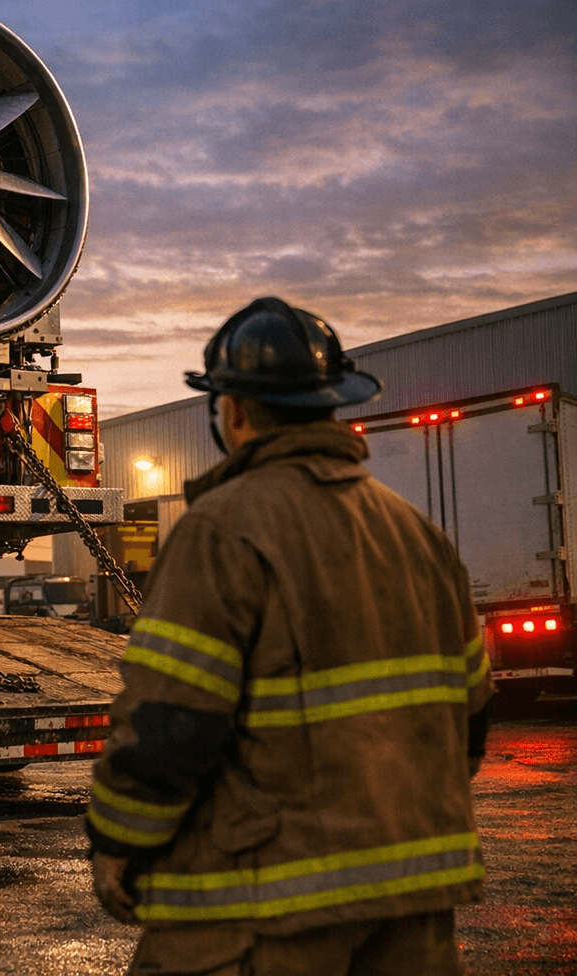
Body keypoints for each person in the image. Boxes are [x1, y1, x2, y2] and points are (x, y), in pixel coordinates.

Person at [86, 299, 492, 975]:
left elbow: (170, 723)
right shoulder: (418, 534)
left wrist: (118, 840)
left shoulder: (220, 529)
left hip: (266, 916)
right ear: (330, 404)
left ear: (235, 412)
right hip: (415, 910)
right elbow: (471, 717)